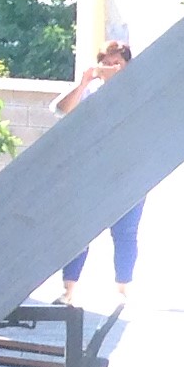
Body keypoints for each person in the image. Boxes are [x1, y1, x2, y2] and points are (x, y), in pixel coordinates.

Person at [55, 39, 144, 309]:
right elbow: (62, 110)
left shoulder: (137, 90)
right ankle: (68, 290)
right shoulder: (91, 92)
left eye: (117, 63)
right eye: (106, 63)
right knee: (78, 232)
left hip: (129, 172)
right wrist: (84, 81)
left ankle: (122, 290)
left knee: (125, 233)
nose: (111, 68)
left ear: (128, 65)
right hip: (91, 174)